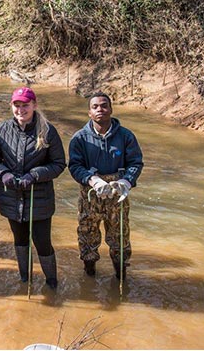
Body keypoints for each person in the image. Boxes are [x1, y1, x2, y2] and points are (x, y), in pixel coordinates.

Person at [0, 87, 66, 288]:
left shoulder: (48, 130)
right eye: (17, 105)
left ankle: (52, 282)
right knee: (20, 241)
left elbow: (58, 164)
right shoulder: (2, 130)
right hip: (11, 198)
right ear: (11, 106)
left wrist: (35, 175)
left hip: (39, 200)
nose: (21, 110)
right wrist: (4, 174)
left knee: (42, 242)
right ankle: (25, 279)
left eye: (25, 105)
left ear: (34, 105)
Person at [68, 91, 143, 280]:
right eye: (95, 107)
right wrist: (91, 179)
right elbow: (75, 166)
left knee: (120, 237)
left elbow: (136, 162)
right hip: (90, 195)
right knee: (87, 236)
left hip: (118, 195)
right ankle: (89, 274)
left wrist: (127, 180)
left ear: (111, 109)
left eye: (103, 105)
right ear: (89, 113)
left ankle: (121, 275)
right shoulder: (79, 138)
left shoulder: (126, 136)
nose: (100, 109)